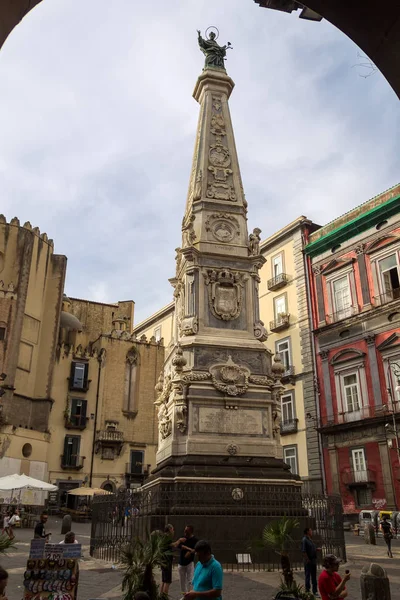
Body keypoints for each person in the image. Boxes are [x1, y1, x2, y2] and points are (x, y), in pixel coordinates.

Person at [160, 524, 185, 596]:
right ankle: (164, 597)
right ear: (170, 529)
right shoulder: (167, 537)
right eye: (173, 529)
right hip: (166, 561)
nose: (173, 531)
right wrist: (179, 540)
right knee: (167, 581)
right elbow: (174, 545)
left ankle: (161, 596)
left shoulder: (163, 536)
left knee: (164, 580)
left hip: (163, 560)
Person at [178, 525, 198, 594]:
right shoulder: (183, 538)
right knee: (182, 582)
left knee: (191, 580)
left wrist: (191, 552)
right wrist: (188, 549)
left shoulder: (195, 540)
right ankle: (184, 596)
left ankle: (190, 595)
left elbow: (197, 549)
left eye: (186, 530)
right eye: (184, 530)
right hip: (181, 563)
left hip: (189, 563)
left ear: (191, 531)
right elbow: (179, 545)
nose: (184, 532)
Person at [301, 527, 319, 597]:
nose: (312, 531)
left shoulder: (310, 539)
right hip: (309, 561)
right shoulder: (304, 540)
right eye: (311, 530)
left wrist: (316, 549)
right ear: (307, 532)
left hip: (313, 560)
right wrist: (307, 559)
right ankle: (307, 590)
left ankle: (315, 591)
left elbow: (311, 548)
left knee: (314, 576)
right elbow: (304, 551)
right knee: (308, 576)